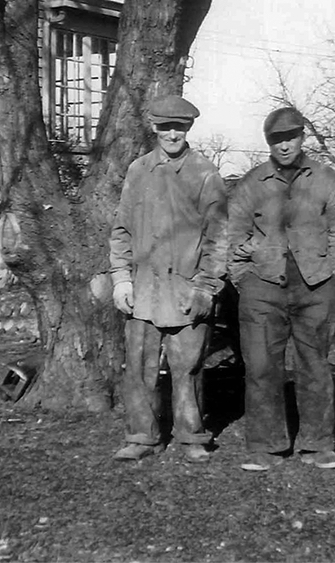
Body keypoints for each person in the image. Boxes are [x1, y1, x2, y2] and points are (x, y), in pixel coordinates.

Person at [227, 106, 335, 471]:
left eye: (291, 137)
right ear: (268, 142)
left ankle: (318, 445)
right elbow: (232, 232)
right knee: (262, 367)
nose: (284, 145)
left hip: (316, 287)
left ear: (303, 137)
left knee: (314, 365)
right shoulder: (252, 183)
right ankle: (266, 447)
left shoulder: (326, 179)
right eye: (276, 139)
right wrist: (243, 277)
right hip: (263, 288)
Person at [110, 94, 228, 463]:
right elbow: (121, 229)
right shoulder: (137, 170)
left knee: (187, 366)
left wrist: (206, 287)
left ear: (188, 128)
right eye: (164, 126)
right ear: (154, 127)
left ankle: (191, 436)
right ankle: (142, 437)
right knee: (140, 367)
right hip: (143, 289)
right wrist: (120, 279)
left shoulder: (205, 173)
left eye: (178, 127)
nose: (171, 134)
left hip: (186, 290)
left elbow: (218, 237)